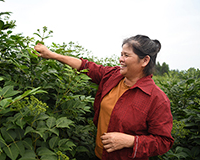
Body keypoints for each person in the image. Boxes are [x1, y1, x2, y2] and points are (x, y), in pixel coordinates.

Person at [34, 35, 174, 160]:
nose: (121, 59)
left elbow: (163, 141)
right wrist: (52, 55)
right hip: (100, 154)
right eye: (121, 54)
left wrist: (131, 141)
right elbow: (85, 66)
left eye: (126, 55)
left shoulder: (157, 99)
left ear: (145, 61)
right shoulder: (113, 75)